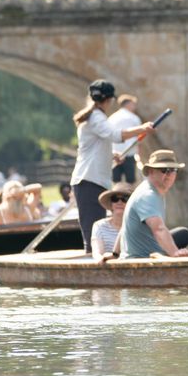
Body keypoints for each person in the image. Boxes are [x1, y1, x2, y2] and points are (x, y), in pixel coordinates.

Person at [69, 80, 156, 253]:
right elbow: (115, 135)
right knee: (92, 232)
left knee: (94, 228)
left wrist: (111, 155)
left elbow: (95, 145)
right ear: (109, 100)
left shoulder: (95, 116)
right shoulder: (96, 117)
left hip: (94, 180)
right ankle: (93, 266)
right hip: (88, 180)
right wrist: (142, 128)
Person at [119, 149, 188, 258]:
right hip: (141, 259)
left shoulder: (154, 191)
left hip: (146, 254)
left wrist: (115, 253)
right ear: (151, 171)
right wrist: (175, 253)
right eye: (164, 170)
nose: (169, 174)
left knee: (184, 234)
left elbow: (123, 229)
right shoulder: (148, 195)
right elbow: (159, 229)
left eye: (173, 170)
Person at [91, 182, 132, 261]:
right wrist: (101, 259)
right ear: (111, 203)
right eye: (115, 199)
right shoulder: (99, 226)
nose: (119, 202)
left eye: (124, 199)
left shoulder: (137, 226)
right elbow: (97, 253)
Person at [108, 94, 141, 184]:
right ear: (128, 104)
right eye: (133, 104)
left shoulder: (112, 118)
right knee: (130, 182)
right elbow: (139, 137)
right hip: (129, 154)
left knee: (115, 181)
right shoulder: (134, 118)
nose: (134, 107)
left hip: (115, 154)